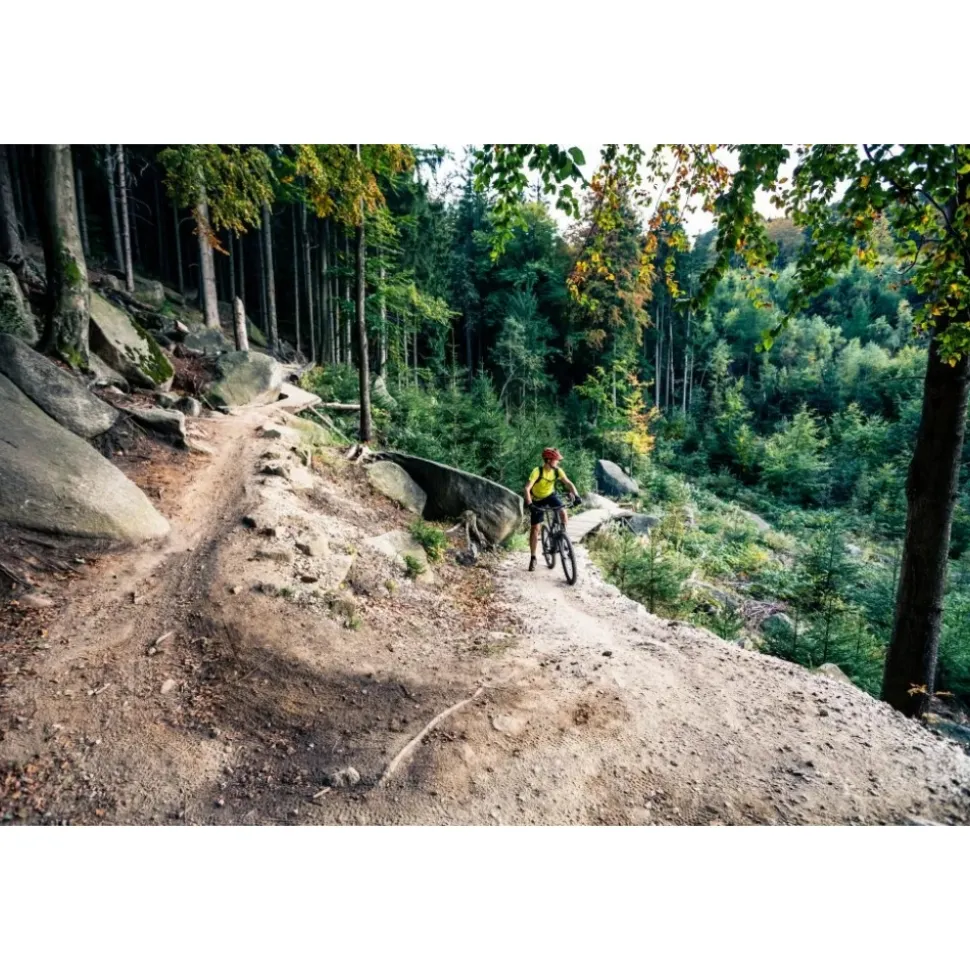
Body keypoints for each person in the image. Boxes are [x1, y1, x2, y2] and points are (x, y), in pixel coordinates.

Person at [525, 447, 579, 571]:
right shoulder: (537, 471)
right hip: (537, 499)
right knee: (535, 528)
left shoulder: (557, 471)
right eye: (556, 460)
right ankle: (533, 557)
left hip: (550, 495)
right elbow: (527, 488)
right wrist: (530, 504)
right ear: (548, 460)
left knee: (563, 512)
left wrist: (577, 496)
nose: (558, 462)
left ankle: (563, 536)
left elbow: (568, 483)